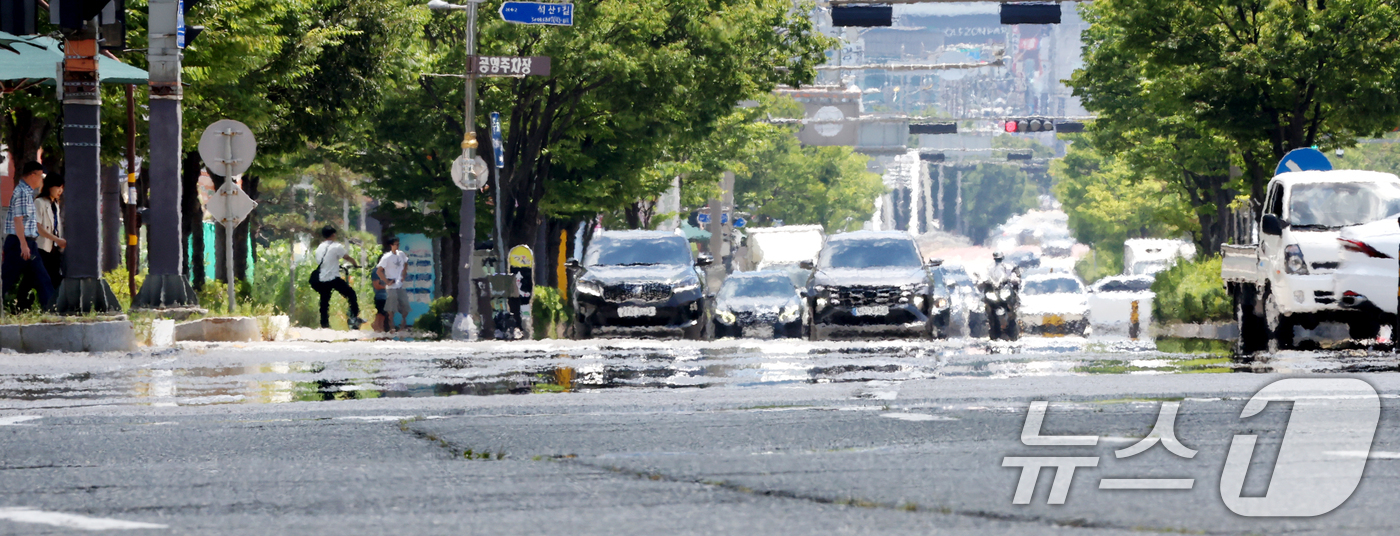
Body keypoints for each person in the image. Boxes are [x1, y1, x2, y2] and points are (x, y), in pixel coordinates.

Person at [3, 162, 55, 311]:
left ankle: (51, 308)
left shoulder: (26, 192)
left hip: (28, 243)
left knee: (42, 277)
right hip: (20, 243)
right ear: (32, 175)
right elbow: (18, 220)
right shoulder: (22, 193)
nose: (42, 180)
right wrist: (23, 244)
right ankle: (50, 308)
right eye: (41, 176)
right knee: (7, 278)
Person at [310, 226, 364, 329]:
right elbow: (346, 257)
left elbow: (322, 261)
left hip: (322, 278)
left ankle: (324, 324)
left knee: (324, 302)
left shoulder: (320, 247)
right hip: (333, 278)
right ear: (333, 234)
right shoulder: (336, 246)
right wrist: (355, 264)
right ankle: (353, 316)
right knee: (351, 294)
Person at [34, 176, 65, 288]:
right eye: (58, 187)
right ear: (49, 187)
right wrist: (56, 239)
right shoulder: (39, 202)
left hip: (54, 248)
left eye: (62, 188)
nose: (60, 191)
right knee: (34, 278)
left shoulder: (55, 204)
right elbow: (38, 227)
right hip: (41, 248)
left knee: (53, 279)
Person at [376, 236, 410, 332]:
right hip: (391, 286)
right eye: (396, 244)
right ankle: (392, 327)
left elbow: (406, 262)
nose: (398, 246)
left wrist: (404, 274)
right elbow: (379, 271)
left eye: (398, 244)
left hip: (400, 284)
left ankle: (402, 326)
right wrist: (386, 281)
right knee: (391, 307)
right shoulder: (387, 257)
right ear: (391, 245)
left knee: (405, 306)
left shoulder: (401, 254)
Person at [370, 264, 388, 332]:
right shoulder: (376, 271)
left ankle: (379, 327)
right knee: (381, 312)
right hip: (380, 296)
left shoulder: (385, 271)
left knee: (383, 313)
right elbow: (376, 286)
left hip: (386, 296)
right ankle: (376, 325)